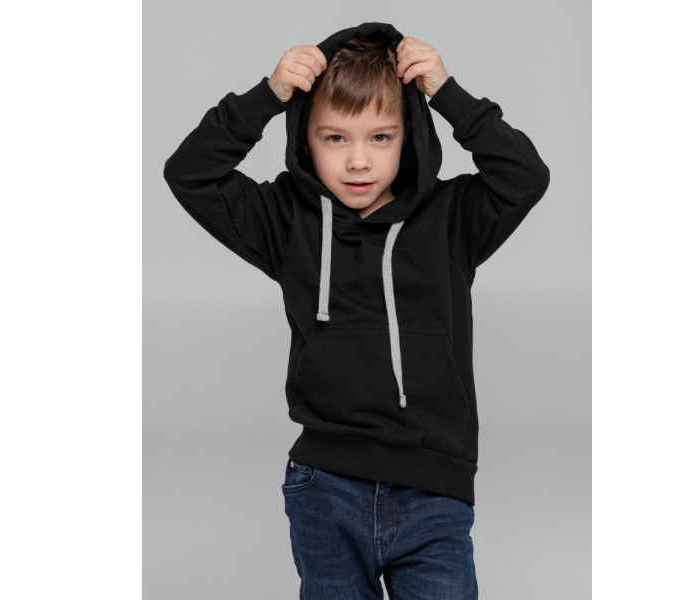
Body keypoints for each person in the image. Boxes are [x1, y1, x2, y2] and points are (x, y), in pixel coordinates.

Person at [163, 20, 549, 600]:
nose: (359, 161)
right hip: (325, 490)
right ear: (305, 139)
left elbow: (526, 176)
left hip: (433, 492)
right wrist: (268, 96)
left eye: (381, 137)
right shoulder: (287, 221)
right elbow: (189, 172)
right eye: (336, 138)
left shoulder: (451, 219)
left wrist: (448, 94)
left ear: (409, 135)